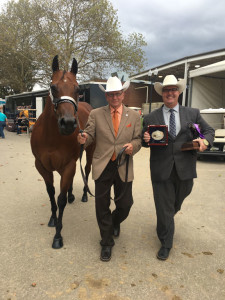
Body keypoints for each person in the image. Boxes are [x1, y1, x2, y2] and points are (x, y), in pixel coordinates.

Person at [142, 75, 215, 261]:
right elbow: (143, 139)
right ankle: (166, 242)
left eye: (173, 89)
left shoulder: (192, 114)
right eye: (166, 90)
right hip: (161, 168)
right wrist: (146, 140)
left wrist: (204, 141)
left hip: (185, 167)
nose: (170, 93)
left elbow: (208, 131)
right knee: (164, 206)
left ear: (179, 92)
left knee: (178, 200)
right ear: (162, 94)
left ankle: (165, 221)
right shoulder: (151, 117)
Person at [77, 76, 142, 262]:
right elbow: (89, 134)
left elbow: (138, 139)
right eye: (111, 94)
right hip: (103, 164)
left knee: (125, 205)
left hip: (124, 165)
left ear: (123, 94)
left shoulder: (135, 116)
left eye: (118, 94)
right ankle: (106, 242)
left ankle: (114, 222)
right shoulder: (96, 114)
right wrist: (83, 138)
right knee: (101, 206)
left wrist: (133, 146)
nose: (115, 97)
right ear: (106, 96)